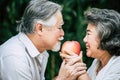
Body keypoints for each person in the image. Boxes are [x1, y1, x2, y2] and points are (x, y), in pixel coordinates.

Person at [0, 0, 86, 80]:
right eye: (59, 27)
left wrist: (66, 76)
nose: (62, 33)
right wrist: (61, 78)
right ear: (40, 28)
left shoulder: (39, 51)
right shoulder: (16, 59)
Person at [61, 8, 120, 80]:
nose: (84, 40)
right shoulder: (97, 63)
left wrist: (80, 69)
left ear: (104, 35)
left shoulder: (117, 65)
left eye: (88, 34)